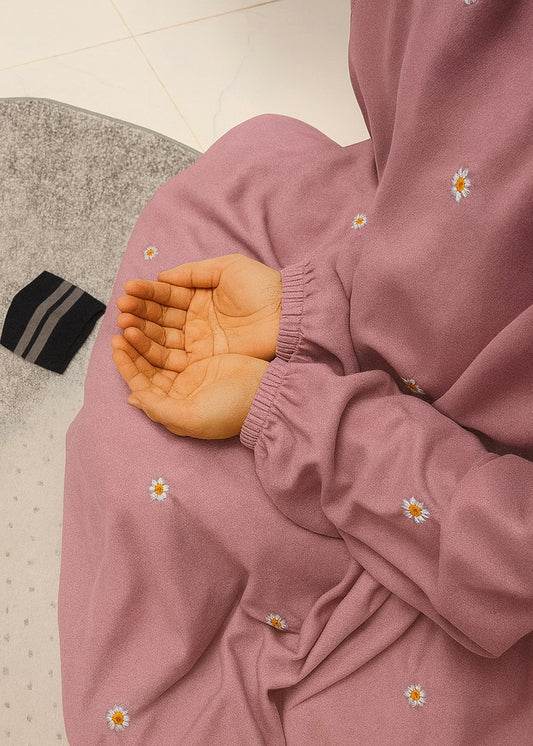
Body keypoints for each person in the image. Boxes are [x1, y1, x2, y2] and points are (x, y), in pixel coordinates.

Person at [59, 0, 533, 743]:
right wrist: (308, 307)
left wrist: (302, 417)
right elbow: (433, 200)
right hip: (370, 293)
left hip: (480, 531)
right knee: (249, 164)